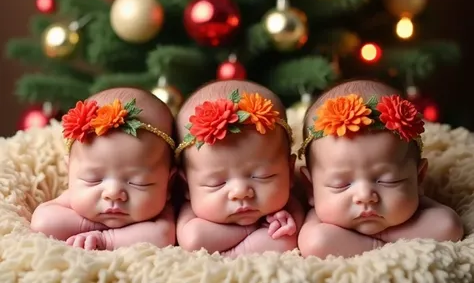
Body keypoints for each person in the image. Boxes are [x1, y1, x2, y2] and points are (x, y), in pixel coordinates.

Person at [298, 78, 464, 258]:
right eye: (341, 184)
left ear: (419, 178)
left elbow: (449, 227)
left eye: (388, 181)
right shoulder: (320, 220)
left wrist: (377, 238)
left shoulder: (414, 205)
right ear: (311, 188)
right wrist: (385, 241)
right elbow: (315, 243)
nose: (365, 196)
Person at [30, 86, 176, 250]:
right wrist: (89, 225)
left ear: (169, 183)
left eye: (138, 183)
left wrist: (105, 238)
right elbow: (43, 221)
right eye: (93, 180)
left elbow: (162, 236)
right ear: (69, 171)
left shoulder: (162, 209)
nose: (112, 193)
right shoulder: (73, 197)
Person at [176, 79, 303, 257]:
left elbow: (292, 235)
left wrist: (290, 222)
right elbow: (192, 241)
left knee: (284, 238)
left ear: (289, 172)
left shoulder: (290, 202)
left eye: (263, 176)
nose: (240, 192)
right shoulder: (191, 209)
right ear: (186, 186)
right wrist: (252, 228)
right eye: (216, 183)